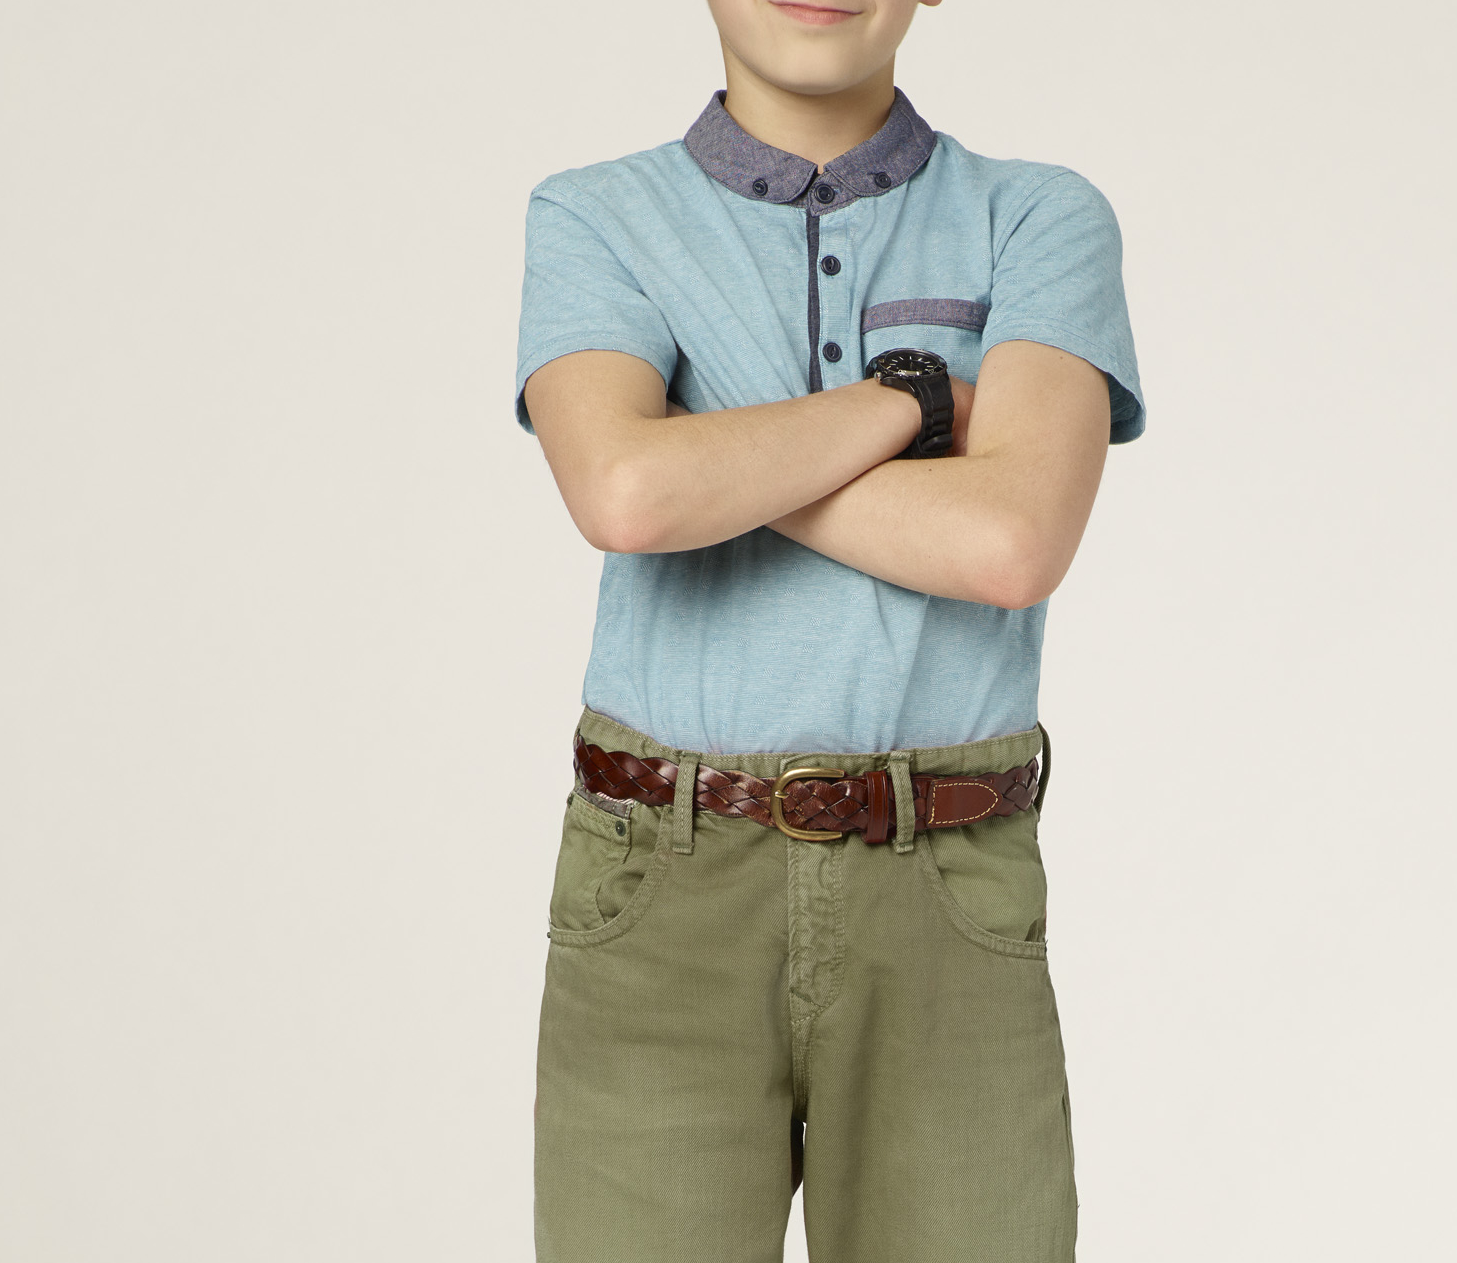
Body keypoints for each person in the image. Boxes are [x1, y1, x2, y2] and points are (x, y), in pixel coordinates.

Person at [509, 2, 1144, 1259]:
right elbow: (626, 498)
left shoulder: (1035, 215)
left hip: (944, 880)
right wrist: (916, 398)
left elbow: (1010, 542)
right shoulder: (593, 216)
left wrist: (710, 453)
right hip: (661, 877)